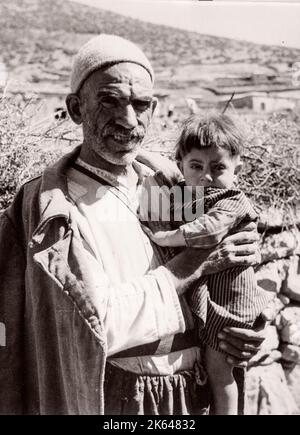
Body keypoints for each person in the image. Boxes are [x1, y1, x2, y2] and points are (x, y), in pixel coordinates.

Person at [0, 34, 271, 415]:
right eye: (109, 101)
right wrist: (199, 261)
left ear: (154, 109)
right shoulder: (55, 209)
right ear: (76, 109)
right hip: (119, 399)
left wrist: (237, 329)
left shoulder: (163, 184)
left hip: (190, 394)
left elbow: (223, 275)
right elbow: (96, 324)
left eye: (140, 104)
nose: (128, 119)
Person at [141, 113, 272, 415]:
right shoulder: (190, 196)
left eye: (218, 167)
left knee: (219, 368)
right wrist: (142, 155)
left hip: (231, 303)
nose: (206, 176)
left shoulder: (230, 199)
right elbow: (169, 181)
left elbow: (209, 229)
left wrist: (167, 238)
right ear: (182, 166)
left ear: (237, 169)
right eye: (196, 167)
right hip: (217, 298)